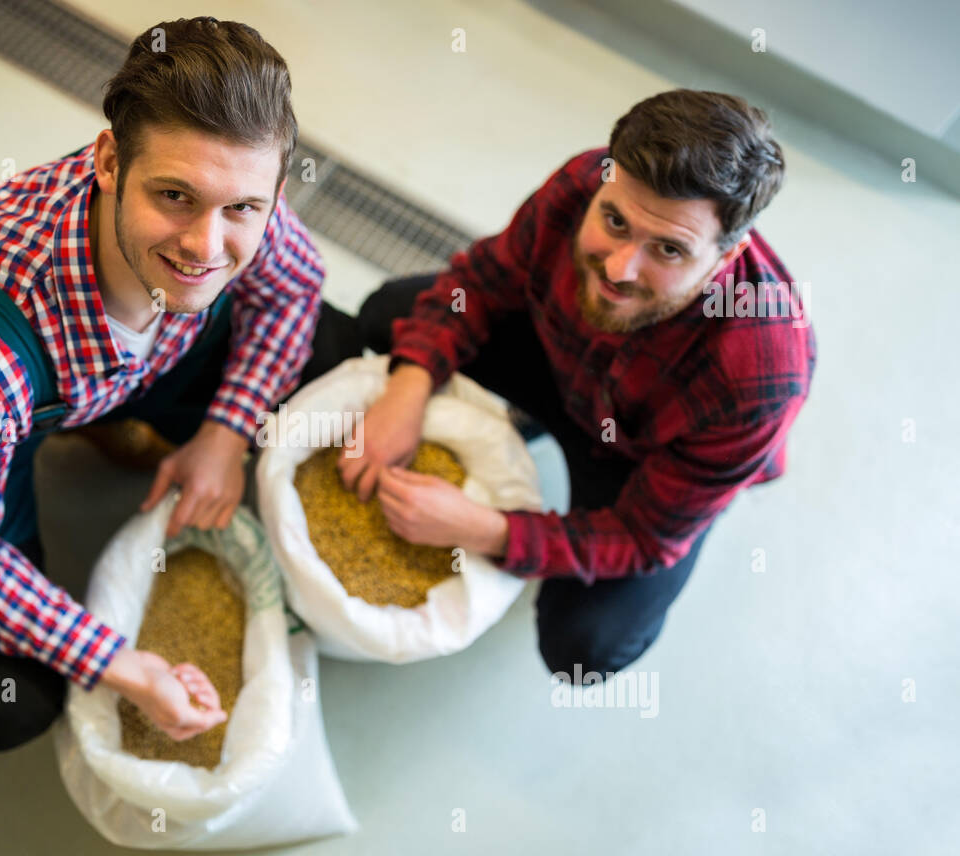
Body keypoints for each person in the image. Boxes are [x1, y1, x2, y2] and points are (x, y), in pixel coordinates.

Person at [0, 17, 357, 751]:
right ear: (108, 161)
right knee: (0, 703)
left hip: (117, 362)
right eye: (174, 197)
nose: (207, 247)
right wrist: (123, 665)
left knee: (336, 349)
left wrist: (225, 434)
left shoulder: (229, 171)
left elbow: (293, 290)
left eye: (242, 209)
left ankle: (116, 419)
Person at [340, 90, 816, 682]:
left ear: (726, 258)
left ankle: (706, 499)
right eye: (615, 222)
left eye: (667, 249)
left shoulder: (761, 375)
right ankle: (525, 412)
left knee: (583, 652)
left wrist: (482, 529)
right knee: (389, 313)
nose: (620, 269)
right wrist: (406, 390)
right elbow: (482, 283)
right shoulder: (583, 181)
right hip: (564, 368)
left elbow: (642, 536)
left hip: (640, 460)